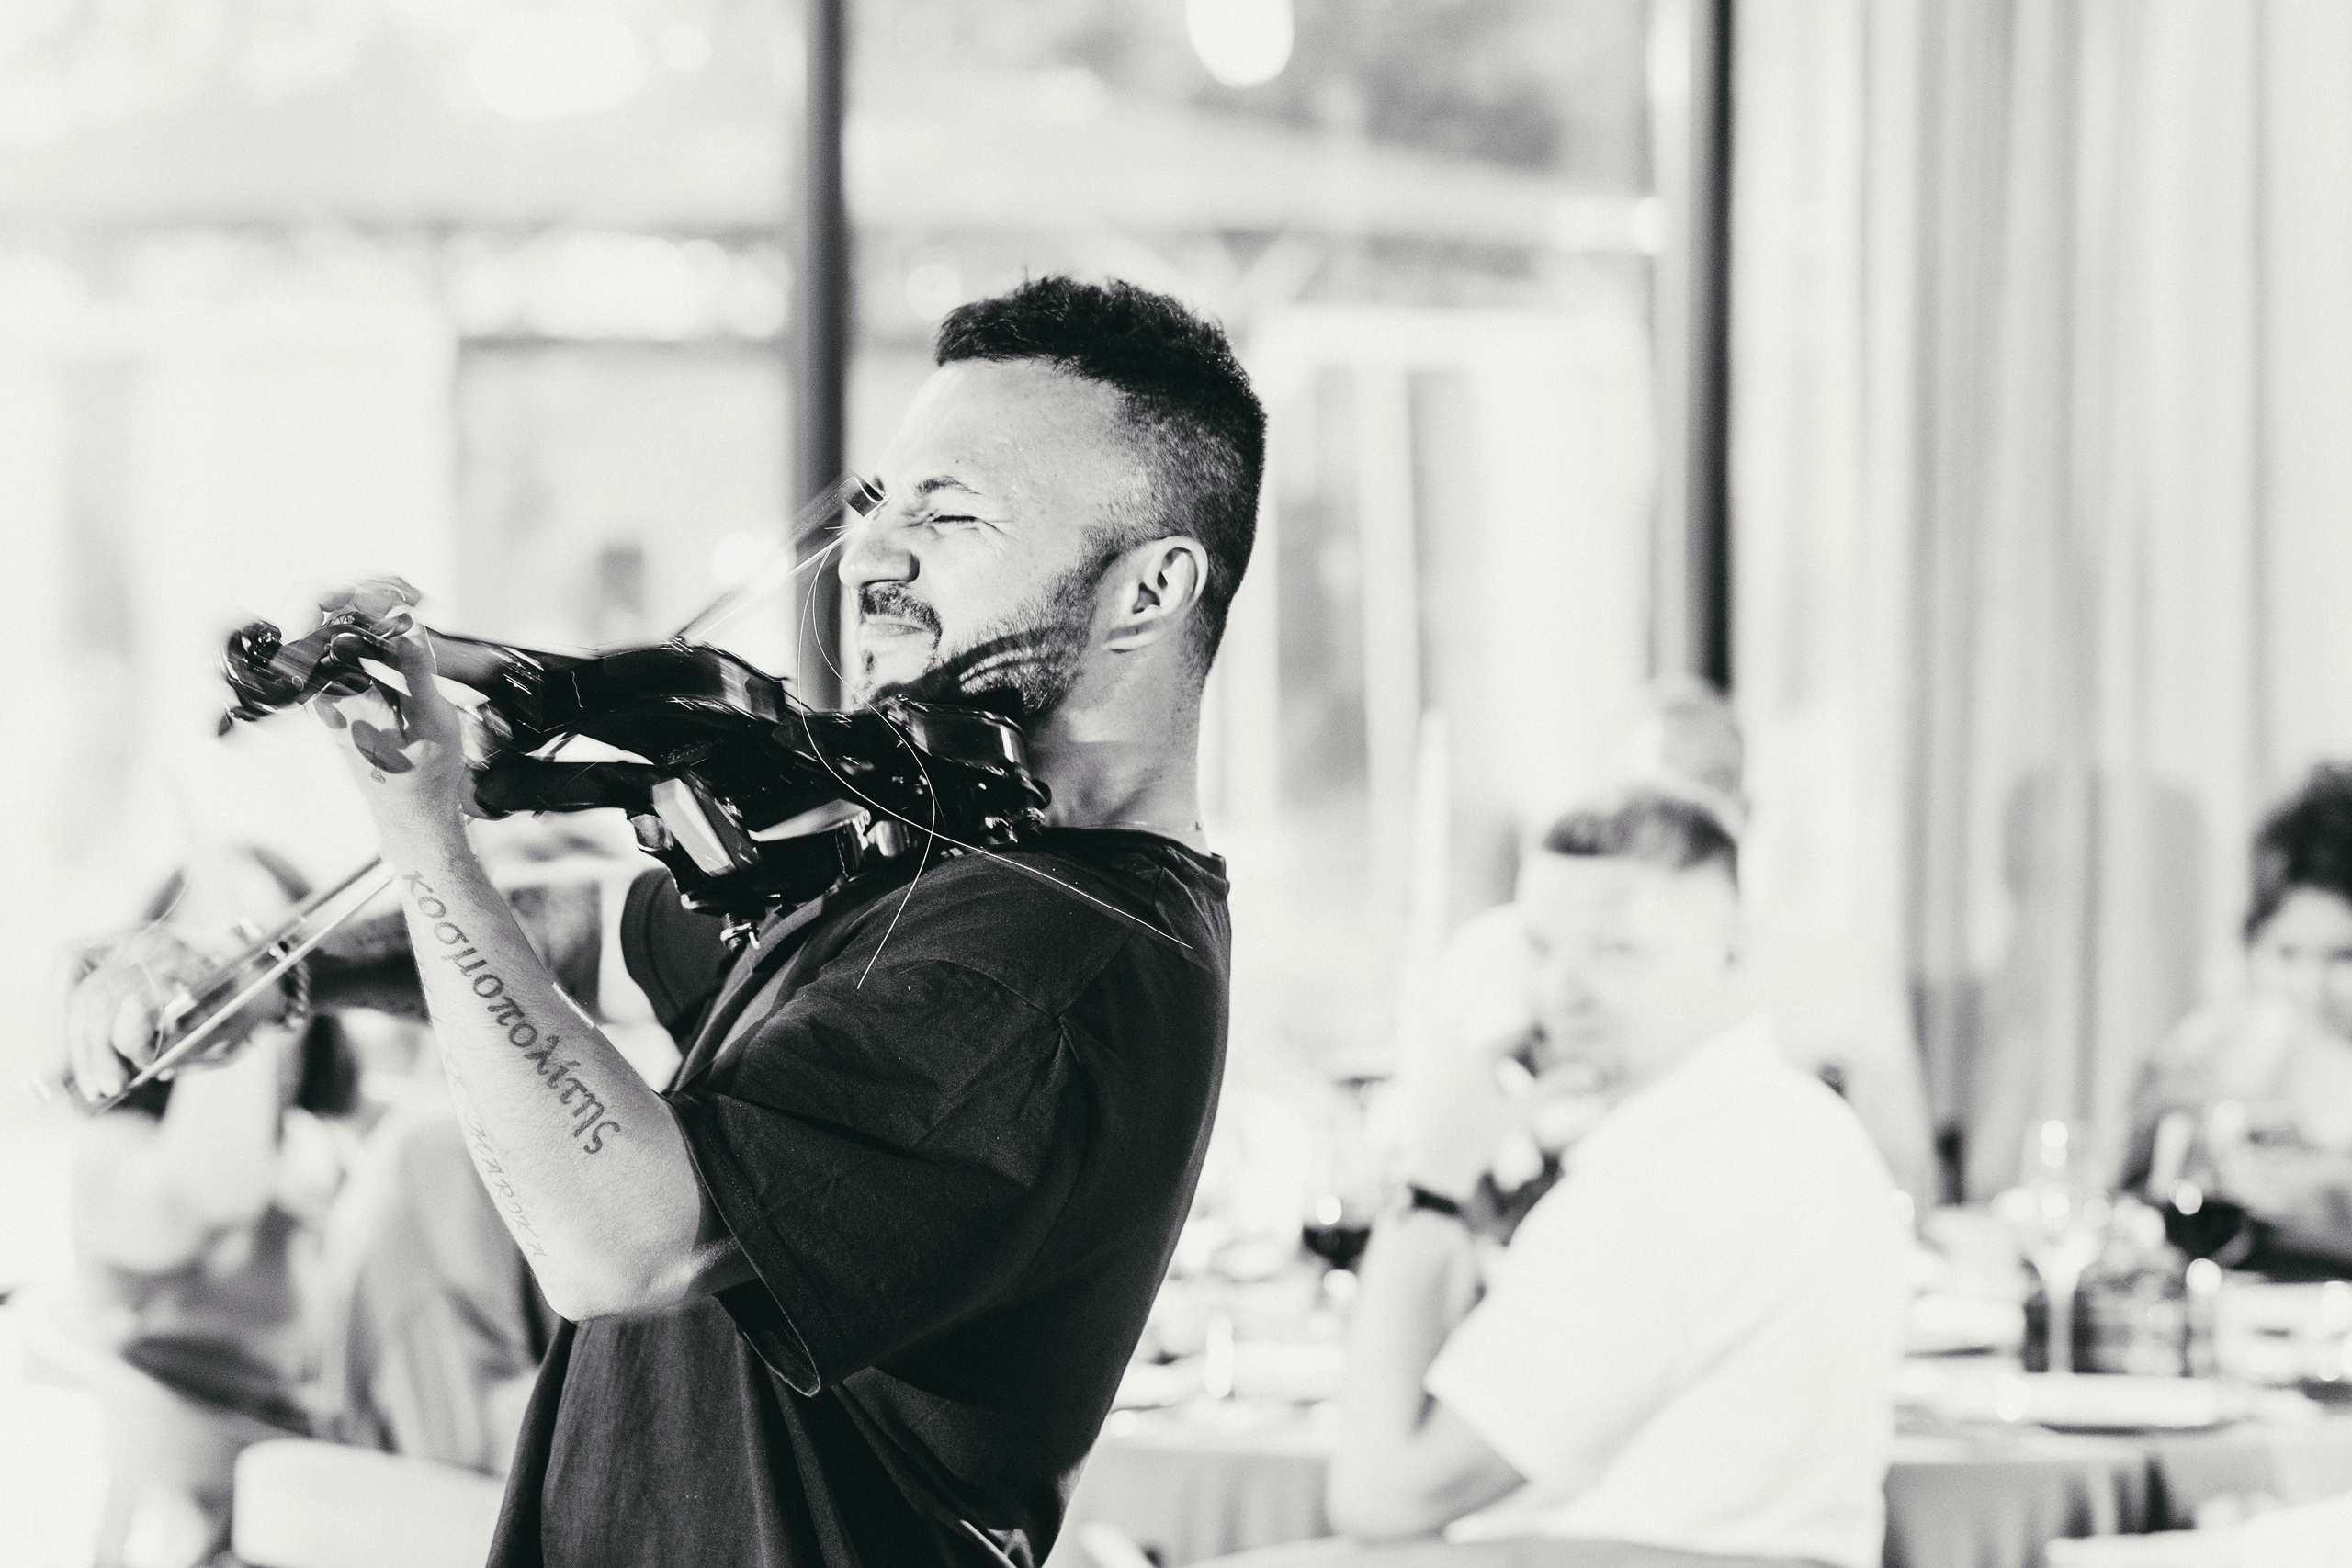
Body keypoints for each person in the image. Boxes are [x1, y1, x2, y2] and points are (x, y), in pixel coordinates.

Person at [68, 276, 1257, 1567]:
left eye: (953, 514)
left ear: (1150, 590)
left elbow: (619, 1237)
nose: (869, 558)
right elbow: (607, 930)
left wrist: (427, 842)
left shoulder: (1051, 961)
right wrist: (285, 980)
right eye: (879, 507)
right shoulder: (942, 860)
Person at [1327, 792, 1908, 1566]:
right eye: (1540, 946)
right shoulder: (1797, 1120)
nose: (1563, 989)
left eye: (1615, 950)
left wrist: (1431, 1178)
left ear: (1730, 948)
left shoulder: (1681, 1168)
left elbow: (1381, 1495)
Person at [1430, 677, 1937, 1207]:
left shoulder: (1833, 968)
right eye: (1661, 783)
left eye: (1714, 783)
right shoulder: (1489, 958)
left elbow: (1904, 1181)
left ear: (1748, 809)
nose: (1688, 807)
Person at [2127, 764, 2352, 1269]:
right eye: (2286, 954)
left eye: (2344, 957)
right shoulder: (2207, 1048)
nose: (2310, 989)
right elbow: (2131, 1204)